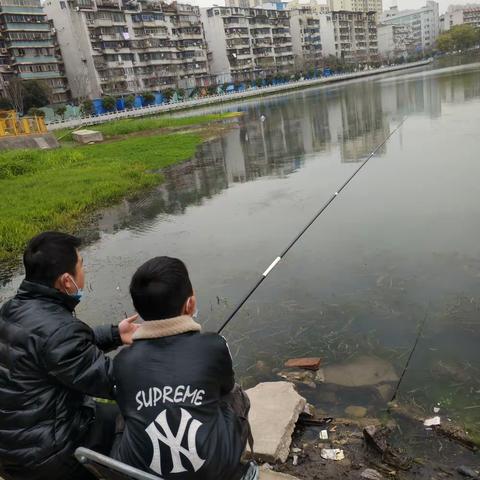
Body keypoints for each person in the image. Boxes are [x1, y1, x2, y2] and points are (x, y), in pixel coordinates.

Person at [0, 232, 139, 480]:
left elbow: (56, 351)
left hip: (14, 445)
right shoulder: (59, 330)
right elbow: (115, 383)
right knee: (129, 415)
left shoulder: (12, 310)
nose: (83, 272)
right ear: (66, 281)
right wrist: (161, 358)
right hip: (47, 455)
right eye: (81, 265)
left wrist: (115, 334)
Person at [113, 256, 252, 480]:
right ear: (190, 304)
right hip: (213, 471)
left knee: (125, 410)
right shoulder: (214, 345)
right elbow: (225, 389)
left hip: (140, 473)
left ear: (139, 308)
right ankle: (236, 471)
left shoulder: (122, 361)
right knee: (237, 396)